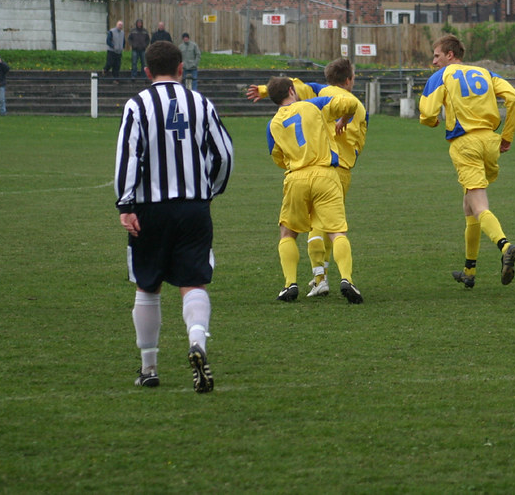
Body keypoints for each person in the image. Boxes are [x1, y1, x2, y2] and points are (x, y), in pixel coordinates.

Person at [114, 41, 234, 393]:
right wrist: (210, 192)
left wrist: (126, 205)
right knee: (192, 283)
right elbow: (224, 155)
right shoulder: (201, 103)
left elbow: (128, 155)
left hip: (150, 208)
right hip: (194, 207)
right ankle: (197, 342)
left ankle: (149, 367)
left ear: (148, 71)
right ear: (182, 68)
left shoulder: (137, 104)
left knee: (147, 286)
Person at [247, 58, 368, 297]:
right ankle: (347, 279)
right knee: (336, 231)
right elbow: (348, 102)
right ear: (292, 90)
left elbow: (277, 157)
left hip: (295, 178)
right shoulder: (315, 105)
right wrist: (343, 118)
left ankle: (290, 283)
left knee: (288, 233)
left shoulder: (273, 124)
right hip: (326, 174)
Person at [418, 34, 515, 289]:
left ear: (450, 55)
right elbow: (514, 98)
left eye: (437, 55)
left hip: (465, 144)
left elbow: (427, 113)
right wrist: (506, 136)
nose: (434, 61)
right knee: (468, 206)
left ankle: (504, 245)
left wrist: (431, 122)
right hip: (490, 142)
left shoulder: (441, 76)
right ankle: (469, 271)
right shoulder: (485, 73)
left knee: (478, 204)